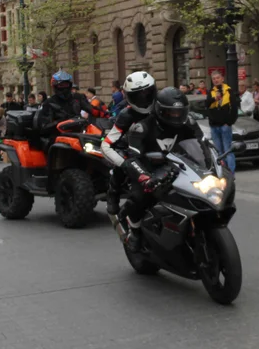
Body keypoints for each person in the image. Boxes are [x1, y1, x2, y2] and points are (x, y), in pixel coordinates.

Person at [120, 87, 206, 252]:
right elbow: (132, 158)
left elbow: (203, 145)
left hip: (183, 167)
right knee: (138, 198)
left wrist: (216, 163)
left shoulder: (189, 123)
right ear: (160, 110)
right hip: (150, 171)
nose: (176, 115)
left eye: (179, 112)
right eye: (171, 112)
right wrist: (144, 176)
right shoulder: (142, 128)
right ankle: (135, 231)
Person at [101, 71, 157, 216]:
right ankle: (113, 194)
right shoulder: (126, 115)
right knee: (123, 160)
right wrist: (124, 164)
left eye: (147, 93)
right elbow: (106, 144)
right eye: (137, 95)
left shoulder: (160, 107)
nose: (143, 98)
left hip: (159, 146)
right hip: (132, 149)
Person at [205, 70, 237, 173]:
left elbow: (234, 108)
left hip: (225, 125)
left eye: (217, 78)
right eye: (214, 79)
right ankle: (222, 172)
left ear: (222, 79)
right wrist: (214, 98)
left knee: (227, 150)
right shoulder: (211, 92)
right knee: (218, 151)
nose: (216, 80)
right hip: (214, 125)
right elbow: (206, 105)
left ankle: (230, 173)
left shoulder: (229, 90)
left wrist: (229, 122)